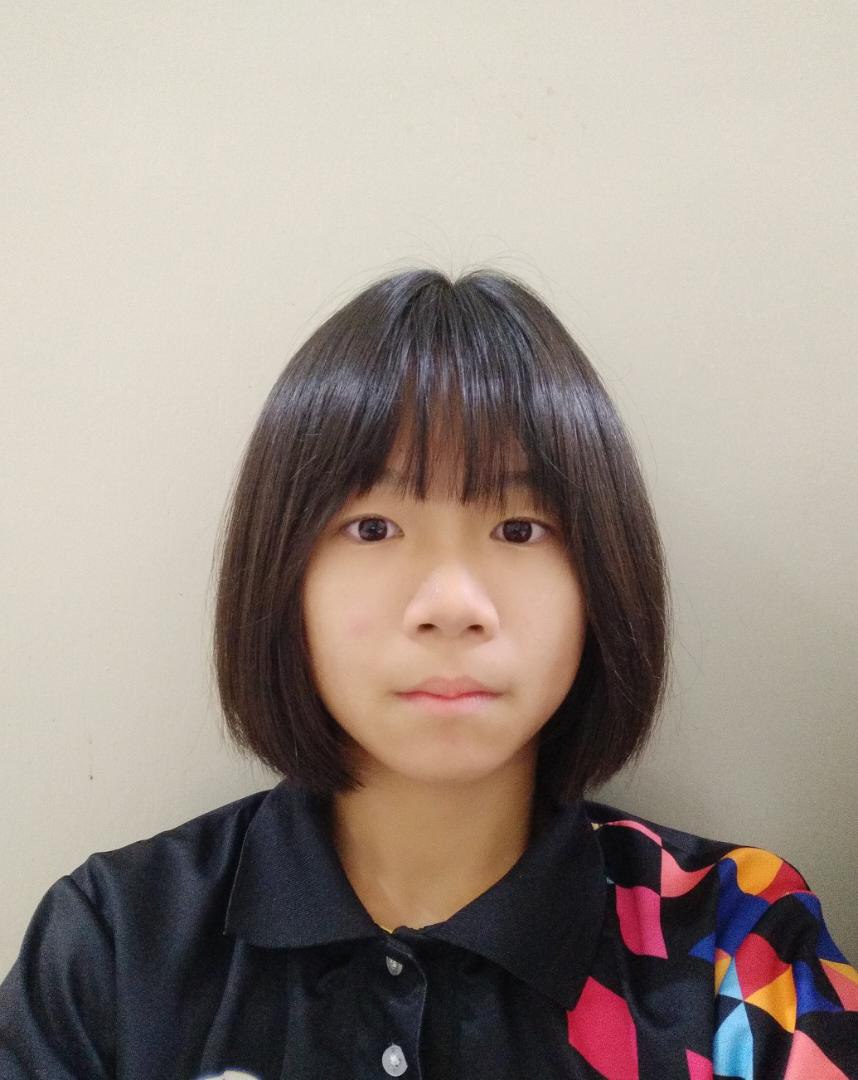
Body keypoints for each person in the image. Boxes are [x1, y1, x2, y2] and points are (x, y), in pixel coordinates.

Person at [1, 267, 856, 1079]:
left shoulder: (737, 939)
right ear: (282, 577)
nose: (451, 604)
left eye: (520, 529)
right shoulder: (120, 944)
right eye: (373, 528)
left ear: (601, 579)